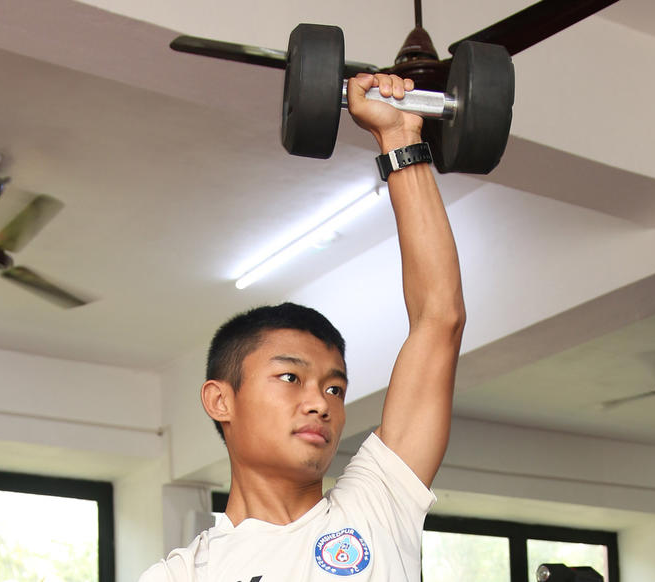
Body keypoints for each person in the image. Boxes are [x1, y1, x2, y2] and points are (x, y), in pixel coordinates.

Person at [139, 72, 466, 582]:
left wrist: (401, 137)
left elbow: (438, 316)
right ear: (220, 400)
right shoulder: (185, 575)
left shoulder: (376, 505)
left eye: (335, 387)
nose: (321, 403)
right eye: (291, 378)